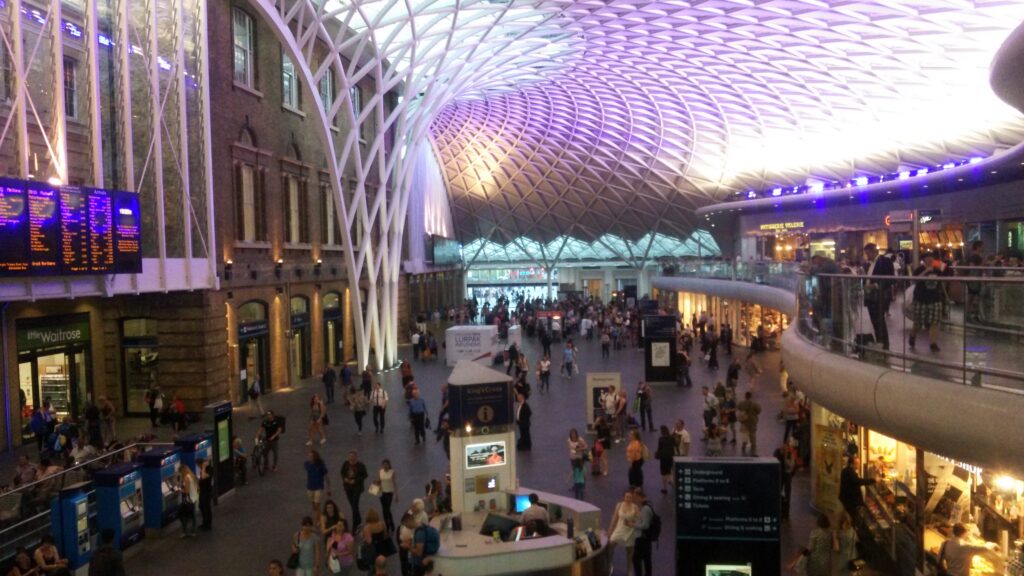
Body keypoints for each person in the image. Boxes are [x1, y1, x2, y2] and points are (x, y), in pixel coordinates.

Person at [910, 252, 945, 352]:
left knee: (934, 322)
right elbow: (914, 280)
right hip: (921, 299)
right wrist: (925, 271)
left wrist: (944, 296)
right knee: (918, 323)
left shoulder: (937, 270)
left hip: (935, 299)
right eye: (928, 257)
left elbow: (941, 282)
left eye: (932, 257)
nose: (930, 259)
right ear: (924, 259)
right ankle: (913, 335)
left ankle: (933, 343)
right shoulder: (919, 269)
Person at [863, 242, 895, 350]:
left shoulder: (885, 261)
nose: (867, 256)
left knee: (879, 321)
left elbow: (889, 278)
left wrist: (875, 285)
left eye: (868, 253)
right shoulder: (868, 264)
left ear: (874, 251)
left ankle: (884, 344)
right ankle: (879, 342)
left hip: (879, 296)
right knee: (874, 321)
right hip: (870, 297)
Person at [607, 489, 638, 575]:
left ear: (632, 498)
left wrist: (631, 524)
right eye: (627, 497)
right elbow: (614, 519)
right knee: (610, 545)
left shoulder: (635, 507)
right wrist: (610, 531)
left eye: (630, 497)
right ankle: (609, 565)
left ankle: (629, 570)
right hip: (619, 529)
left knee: (629, 553)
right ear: (623, 497)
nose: (628, 499)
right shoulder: (619, 505)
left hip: (630, 531)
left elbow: (639, 521)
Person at [341, 451, 368, 530]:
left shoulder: (360, 465)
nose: (351, 458)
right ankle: (358, 520)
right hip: (348, 487)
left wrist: (356, 480)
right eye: (349, 456)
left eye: (352, 456)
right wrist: (344, 478)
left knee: (355, 504)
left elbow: (365, 475)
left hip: (357, 487)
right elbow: (342, 472)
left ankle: (355, 524)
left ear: (356, 457)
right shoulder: (346, 464)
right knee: (353, 505)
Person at [630, 489, 654, 576]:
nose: (635, 500)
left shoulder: (645, 509)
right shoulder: (649, 505)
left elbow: (645, 525)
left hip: (642, 539)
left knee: (636, 559)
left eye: (635, 497)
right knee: (647, 559)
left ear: (640, 497)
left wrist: (633, 525)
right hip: (646, 538)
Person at [305, 450, 331, 524]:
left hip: (318, 488)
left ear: (315, 457)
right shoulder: (306, 464)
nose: (309, 457)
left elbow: (326, 476)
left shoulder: (320, 465)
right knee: (314, 506)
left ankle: (315, 522)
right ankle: (320, 518)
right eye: (309, 456)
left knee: (317, 505)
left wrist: (328, 488)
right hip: (310, 487)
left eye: (311, 456)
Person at [736, 391, 762, 456]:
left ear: (745, 396)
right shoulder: (754, 404)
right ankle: (753, 449)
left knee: (744, 434)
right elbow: (759, 411)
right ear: (750, 396)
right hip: (752, 422)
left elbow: (738, 408)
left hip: (744, 422)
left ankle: (743, 445)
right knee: (752, 435)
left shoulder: (741, 403)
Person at [832, 511, 858, 576]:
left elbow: (836, 548)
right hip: (853, 555)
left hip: (843, 558)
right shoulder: (853, 530)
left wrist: (834, 537)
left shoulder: (839, 533)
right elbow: (857, 540)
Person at [177, 463, 198, 537]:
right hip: (194, 498)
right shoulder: (191, 475)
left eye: (180, 472)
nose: (180, 474)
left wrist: (180, 490)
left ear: (182, 471)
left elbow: (187, 491)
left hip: (188, 500)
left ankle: (185, 531)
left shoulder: (186, 478)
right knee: (192, 515)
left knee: (182, 515)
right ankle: (193, 531)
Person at [655, 425, 676, 494]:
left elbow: (659, 448)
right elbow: (675, 445)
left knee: (663, 473)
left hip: (663, 457)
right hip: (670, 457)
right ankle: (672, 482)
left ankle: (665, 488)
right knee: (669, 471)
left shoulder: (661, 439)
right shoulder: (672, 438)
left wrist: (657, 454)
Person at [378, 459, 397, 533]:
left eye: (386, 464)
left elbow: (394, 483)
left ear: (389, 465)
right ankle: (387, 524)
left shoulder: (392, 472)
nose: (385, 466)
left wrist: (396, 494)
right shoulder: (380, 471)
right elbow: (379, 480)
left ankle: (391, 523)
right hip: (382, 492)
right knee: (384, 509)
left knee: (387, 509)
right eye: (384, 464)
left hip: (389, 492)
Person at [197, 457, 213, 531]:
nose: (199, 467)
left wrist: (203, 467)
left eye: (199, 465)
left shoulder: (209, 469)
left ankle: (208, 523)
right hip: (202, 491)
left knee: (206, 507)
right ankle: (205, 522)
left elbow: (203, 477)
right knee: (202, 506)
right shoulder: (202, 470)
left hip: (207, 491)